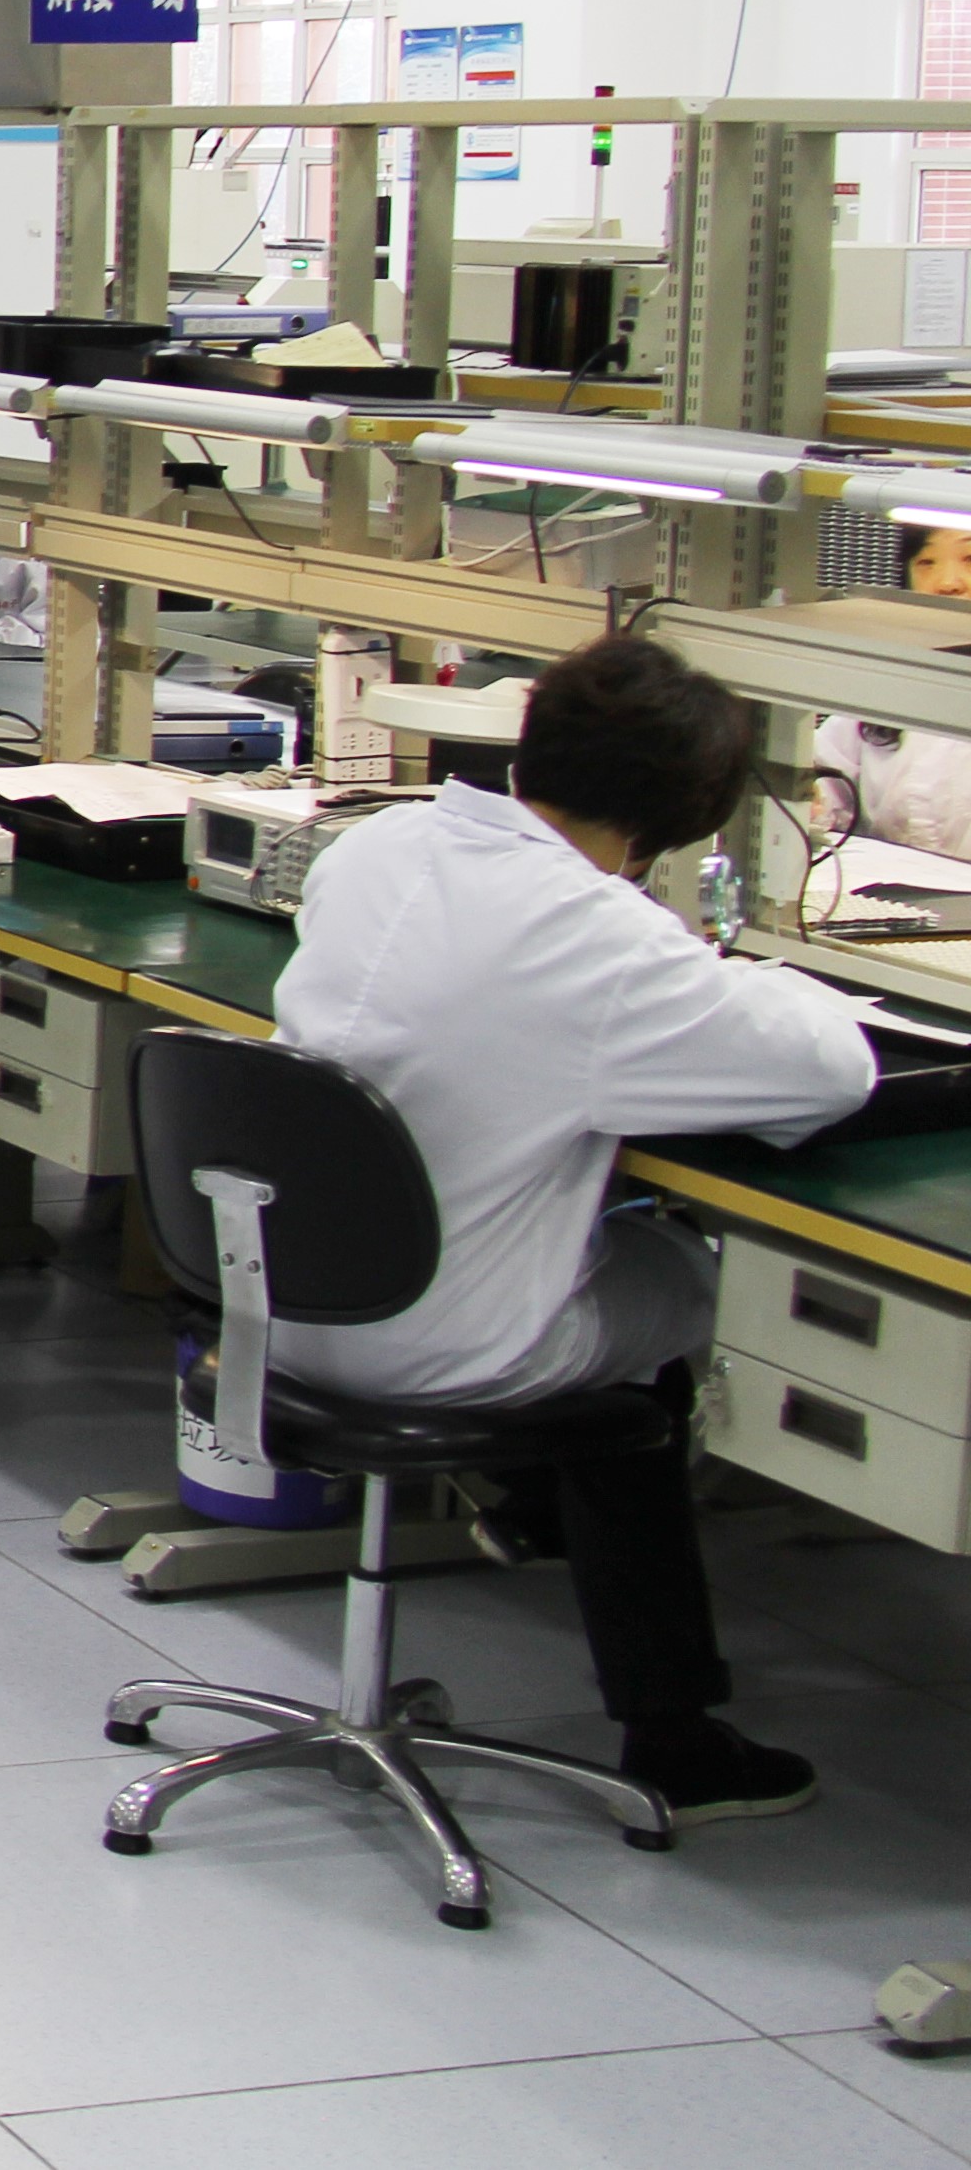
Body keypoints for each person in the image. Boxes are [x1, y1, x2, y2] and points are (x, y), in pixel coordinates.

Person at [271, 635, 863, 1821]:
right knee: (684, 1277)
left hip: (277, 1302)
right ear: (675, 823)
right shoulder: (599, 938)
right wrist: (754, 978)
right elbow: (832, 1072)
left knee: (602, 1242)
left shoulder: (378, 846)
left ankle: (532, 1506)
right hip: (436, 1345)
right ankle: (670, 1728)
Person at [830, 518, 971, 853]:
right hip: (891, 881)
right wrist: (813, 802)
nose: (947, 583)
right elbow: (823, 783)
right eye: (926, 563)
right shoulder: (888, 680)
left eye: (969, 559)